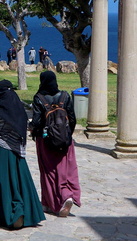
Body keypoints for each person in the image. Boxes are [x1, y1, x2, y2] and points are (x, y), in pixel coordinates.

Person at [0, 80, 45, 229]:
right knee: (18, 182)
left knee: (0, 183)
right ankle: (21, 210)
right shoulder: (19, 110)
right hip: (16, 151)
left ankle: (7, 215)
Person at [28, 71, 81, 217]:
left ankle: (62, 198)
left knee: (48, 172)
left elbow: (37, 122)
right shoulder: (65, 96)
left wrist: (31, 127)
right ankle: (48, 203)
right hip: (65, 141)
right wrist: (66, 135)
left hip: (45, 141)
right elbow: (73, 119)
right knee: (64, 170)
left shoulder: (39, 98)